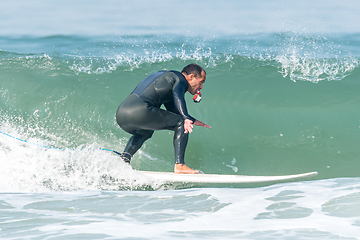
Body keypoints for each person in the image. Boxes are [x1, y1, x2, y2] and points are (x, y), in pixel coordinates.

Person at [116, 63, 211, 174]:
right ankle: (180, 165)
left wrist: (192, 120)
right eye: (201, 82)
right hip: (141, 110)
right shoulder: (180, 79)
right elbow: (178, 97)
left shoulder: (167, 77)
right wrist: (185, 118)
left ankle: (124, 159)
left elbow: (172, 108)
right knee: (180, 123)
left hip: (122, 114)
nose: (201, 87)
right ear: (191, 77)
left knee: (145, 131)